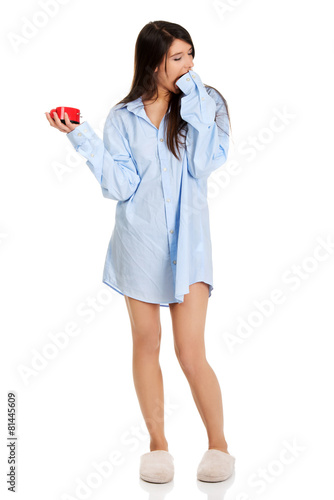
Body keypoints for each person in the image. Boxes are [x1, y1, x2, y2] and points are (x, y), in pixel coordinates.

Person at [45, 20, 235, 484]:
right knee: (145, 345)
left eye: (191, 55)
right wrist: (80, 135)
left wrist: (196, 106)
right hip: (139, 245)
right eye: (178, 58)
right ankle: (158, 447)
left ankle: (219, 446)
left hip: (188, 251)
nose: (189, 65)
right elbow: (119, 185)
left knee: (191, 352)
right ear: (154, 62)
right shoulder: (123, 117)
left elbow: (206, 162)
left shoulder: (207, 106)